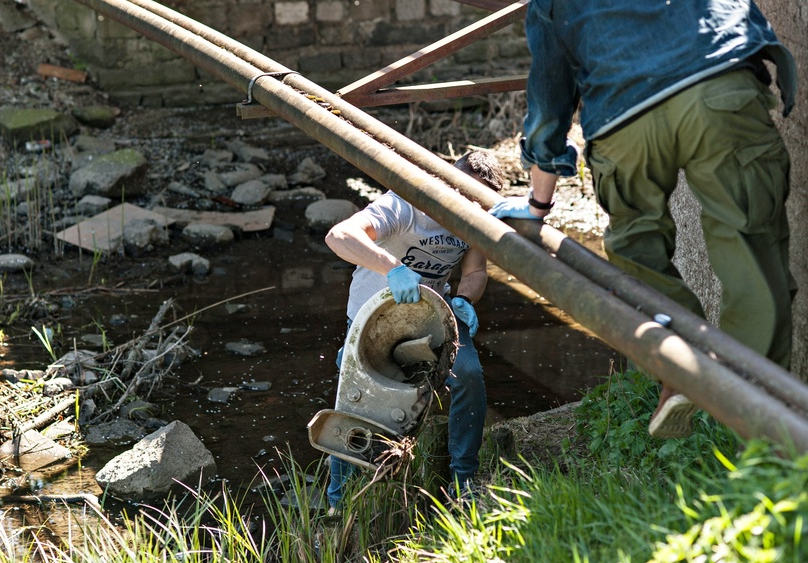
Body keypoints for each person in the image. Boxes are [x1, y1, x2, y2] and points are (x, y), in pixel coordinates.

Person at [488, 1, 797, 439]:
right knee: (753, 252)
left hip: (624, 115)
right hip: (718, 82)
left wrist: (538, 204)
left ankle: (680, 366)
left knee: (636, 248)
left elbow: (549, 97)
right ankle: (759, 428)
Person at [324, 150, 504, 509]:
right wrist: (392, 267)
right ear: (448, 182)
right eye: (465, 197)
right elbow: (338, 235)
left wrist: (465, 299)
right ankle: (338, 504)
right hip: (374, 317)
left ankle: (464, 483)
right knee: (357, 404)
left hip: (431, 316)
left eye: (478, 203)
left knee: (468, 375)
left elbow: (475, 271)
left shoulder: (472, 220)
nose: (468, 208)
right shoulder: (405, 205)